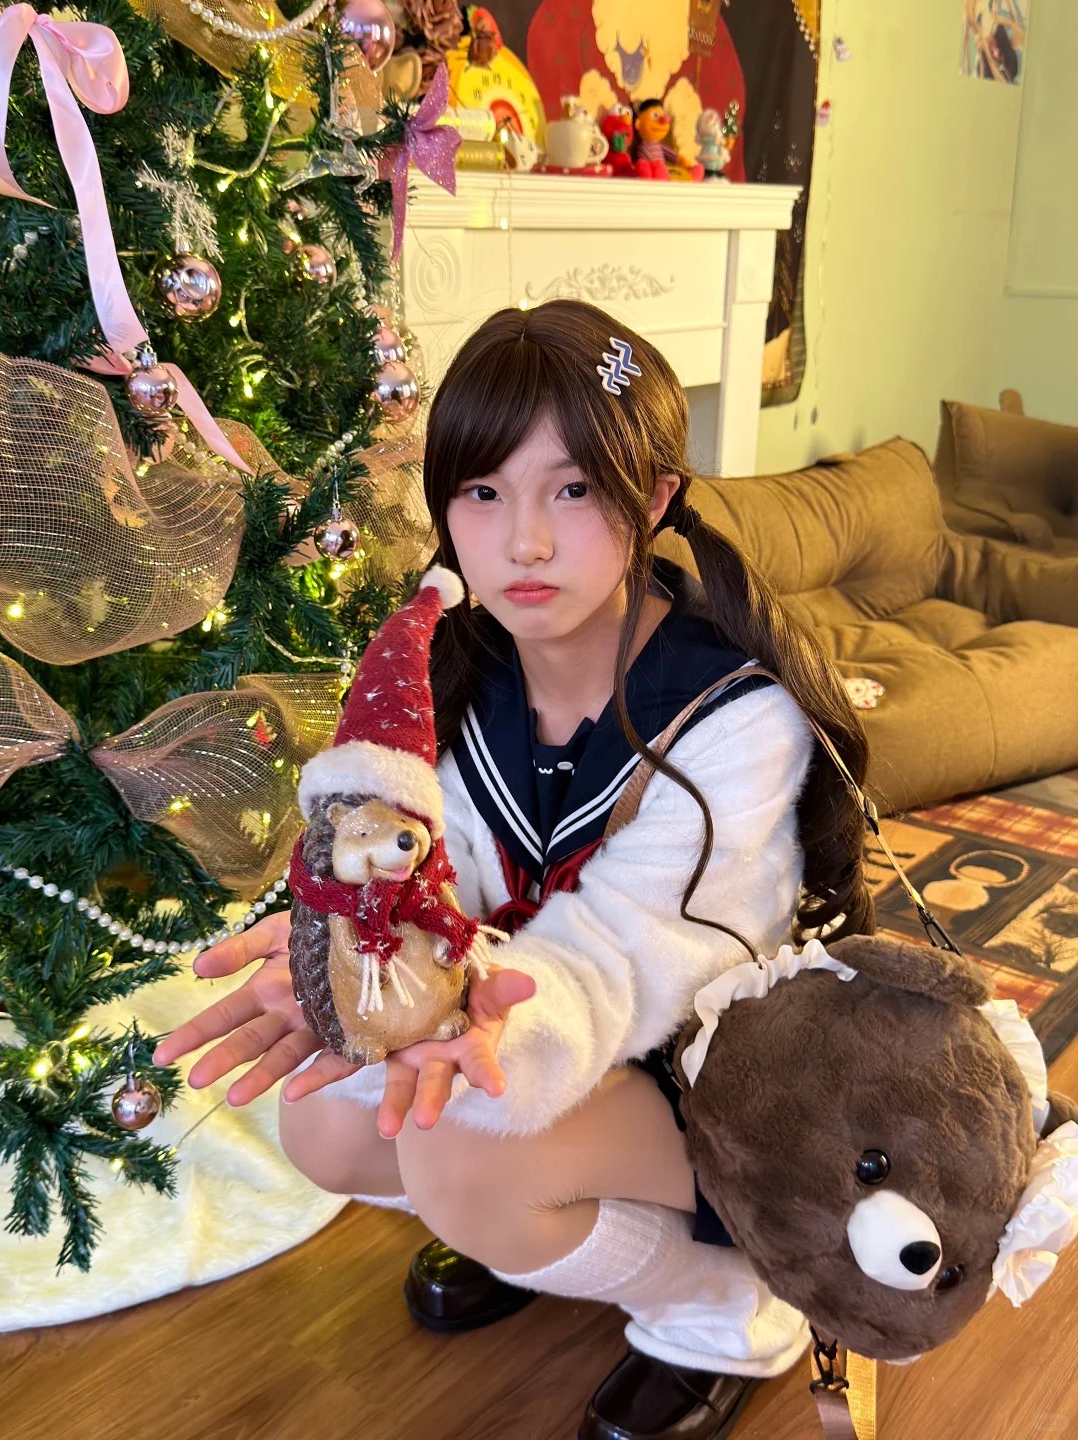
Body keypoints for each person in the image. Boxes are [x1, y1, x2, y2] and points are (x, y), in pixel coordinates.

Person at [156, 299, 874, 1440]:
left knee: (461, 1152)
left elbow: (633, 955)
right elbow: (430, 884)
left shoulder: (735, 714)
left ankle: (729, 1309)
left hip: (726, 1086)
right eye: (483, 493)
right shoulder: (458, 668)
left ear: (654, 498)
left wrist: (481, 1024)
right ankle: (532, 1228)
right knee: (330, 1123)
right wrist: (352, 965)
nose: (523, 542)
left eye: (572, 490)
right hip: (553, 1041)